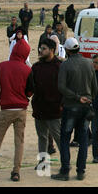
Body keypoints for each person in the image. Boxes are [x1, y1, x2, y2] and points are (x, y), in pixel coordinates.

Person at [0, 39, 34, 182]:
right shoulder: (27, 70)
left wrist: (0, 98)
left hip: (6, 108)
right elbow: (30, 90)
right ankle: (16, 172)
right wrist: (24, 97)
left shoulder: (2, 66)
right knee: (19, 142)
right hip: (21, 109)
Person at [52, 38, 98, 181]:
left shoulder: (65, 65)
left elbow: (61, 87)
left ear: (67, 50)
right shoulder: (89, 64)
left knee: (65, 138)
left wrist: (77, 97)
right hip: (86, 108)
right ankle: (80, 171)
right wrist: (88, 99)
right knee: (83, 139)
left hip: (71, 107)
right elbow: (94, 87)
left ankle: (65, 171)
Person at [32, 38, 62, 170]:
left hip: (55, 109)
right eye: (40, 48)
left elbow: (64, 87)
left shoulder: (60, 66)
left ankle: (65, 162)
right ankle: (43, 162)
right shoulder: (36, 67)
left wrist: (62, 104)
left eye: (44, 48)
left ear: (52, 50)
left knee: (59, 137)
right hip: (39, 107)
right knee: (42, 137)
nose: (41, 51)